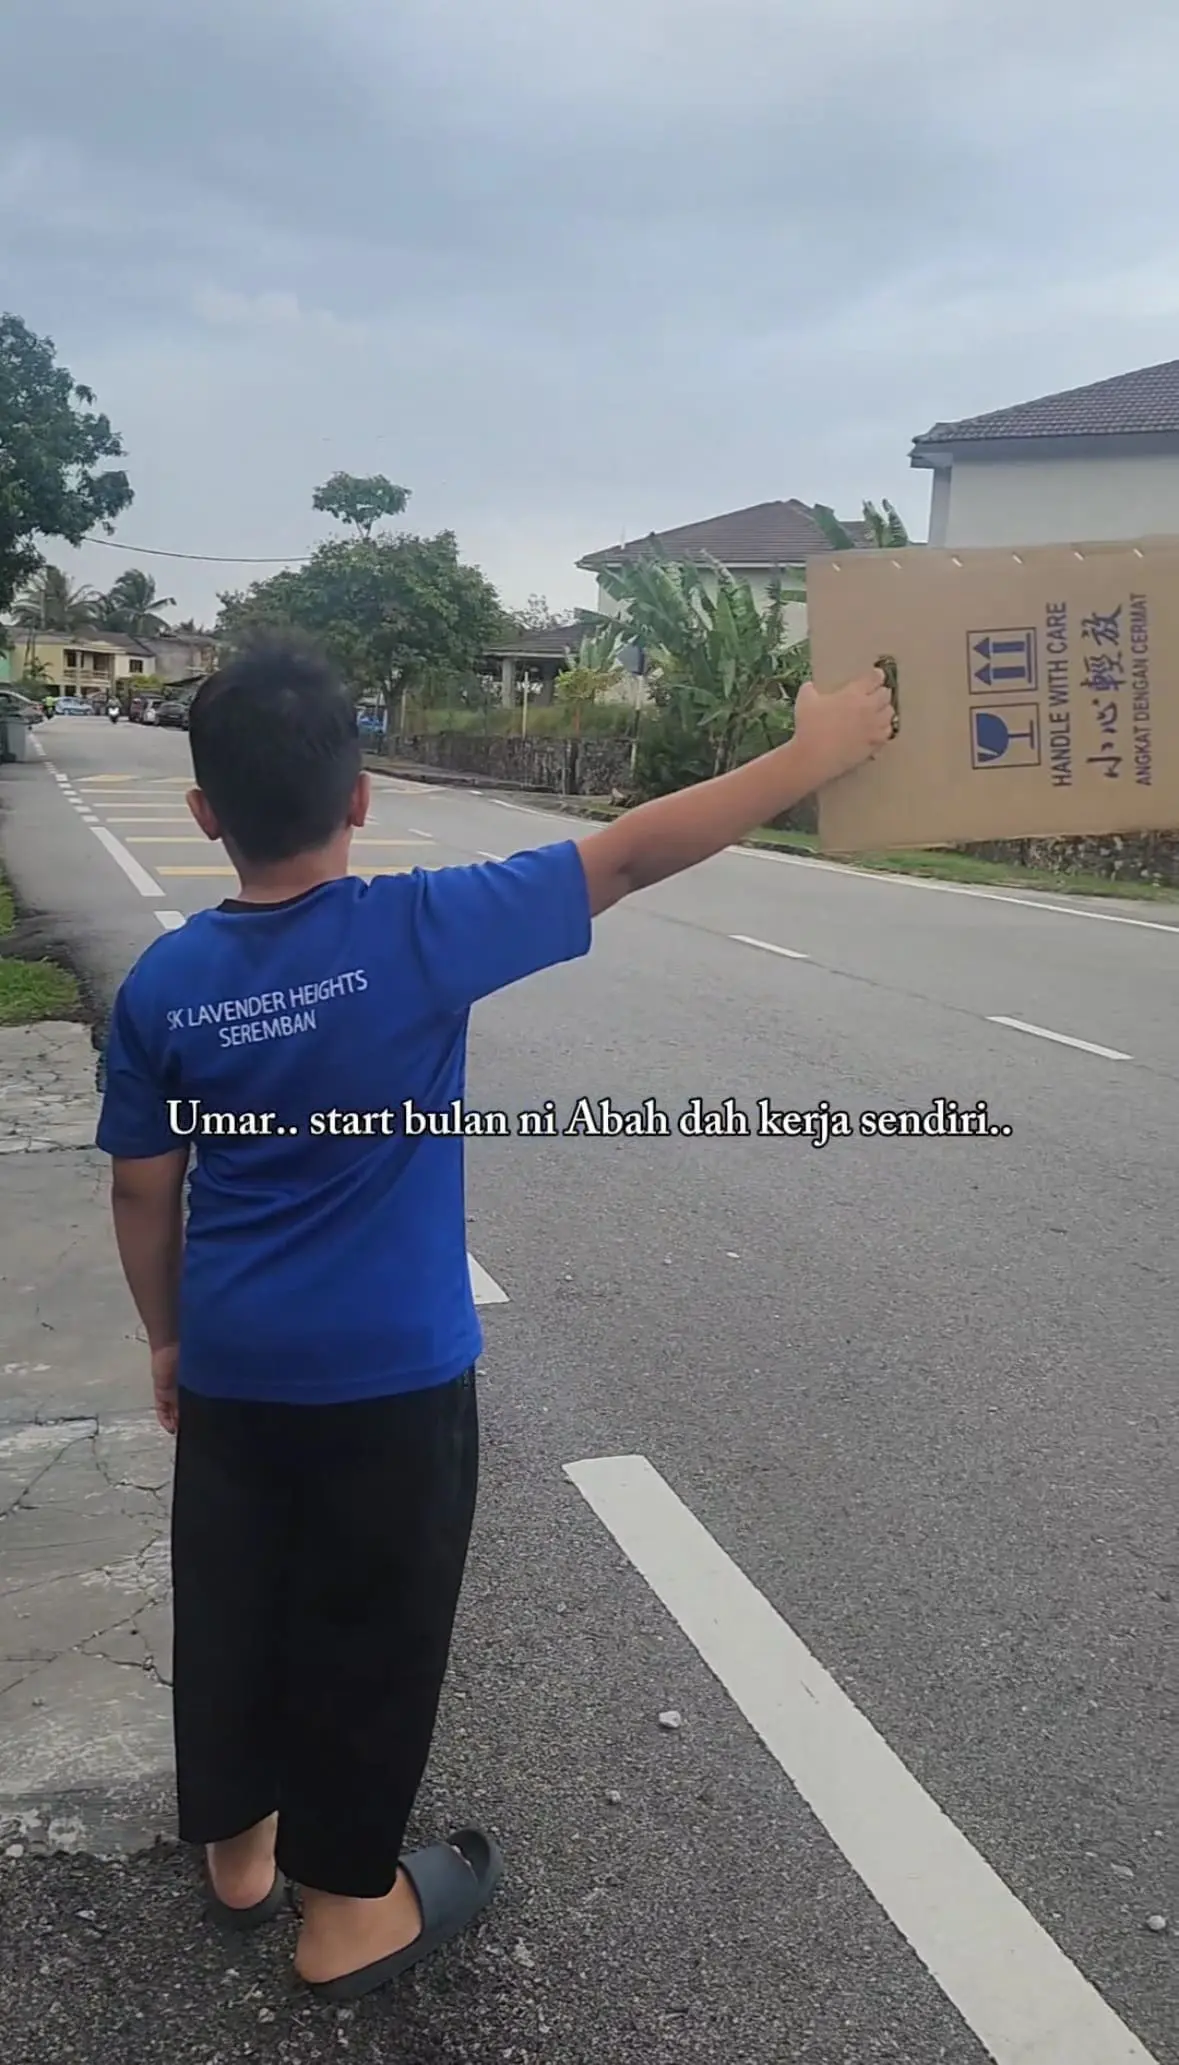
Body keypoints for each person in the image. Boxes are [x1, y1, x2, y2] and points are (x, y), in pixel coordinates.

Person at [95, 635, 893, 2003]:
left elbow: (140, 1190)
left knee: (234, 1602)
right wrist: (814, 757)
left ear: (203, 816)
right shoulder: (420, 928)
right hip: (392, 1382)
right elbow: (634, 853)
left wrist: (168, 1340)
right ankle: (344, 1912)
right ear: (358, 802)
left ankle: (236, 1853)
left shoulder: (165, 987)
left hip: (235, 1366)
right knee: (369, 1626)